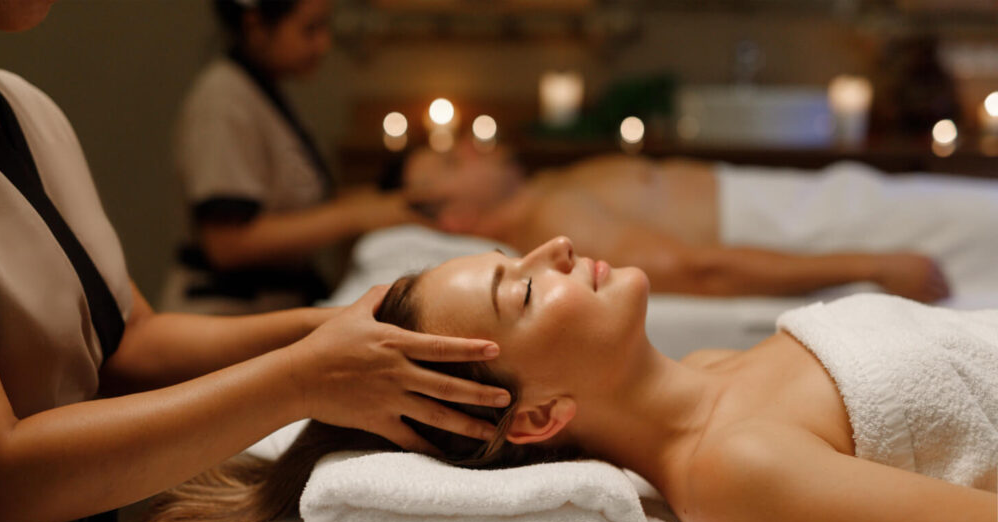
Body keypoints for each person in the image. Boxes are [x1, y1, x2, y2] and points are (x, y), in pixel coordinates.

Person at [0, 0, 510, 522]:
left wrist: (331, 329)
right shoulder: (222, 100)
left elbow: (128, 341)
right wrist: (304, 379)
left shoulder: (29, 112)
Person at [112, 236, 998, 522]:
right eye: (526, 289)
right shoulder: (737, 472)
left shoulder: (711, 378)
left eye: (518, 259)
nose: (557, 252)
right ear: (537, 417)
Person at [387, 141, 964, 302]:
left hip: (803, 204)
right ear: (459, 218)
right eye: (448, 164)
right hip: (802, 226)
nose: (466, 147)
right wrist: (875, 263)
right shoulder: (556, 220)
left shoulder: (552, 189)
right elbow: (698, 269)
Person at [163, 0, 420, 314]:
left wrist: (375, 203)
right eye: (310, 29)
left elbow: (301, 203)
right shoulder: (223, 101)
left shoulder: (260, 92)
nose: (324, 44)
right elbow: (227, 244)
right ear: (256, 27)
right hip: (226, 314)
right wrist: (353, 216)